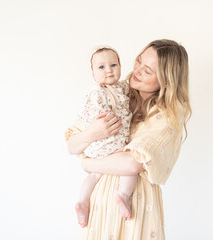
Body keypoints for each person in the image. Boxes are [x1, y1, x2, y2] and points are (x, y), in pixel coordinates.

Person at [65, 39, 191, 239]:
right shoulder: (114, 92)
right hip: (98, 205)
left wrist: (88, 164)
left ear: (166, 81)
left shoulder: (167, 116)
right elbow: (72, 145)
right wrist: (92, 133)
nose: (138, 71)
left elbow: (133, 164)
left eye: (147, 71)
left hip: (136, 208)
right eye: (139, 61)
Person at [65, 46, 137, 228]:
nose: (109, 70)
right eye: (102, 67)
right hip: (108, 142)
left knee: (94, 175)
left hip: (97, 149)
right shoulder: (96, 92)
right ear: (93, 73)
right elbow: (91, 114)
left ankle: (82, 201)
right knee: (130, 170)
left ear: (121, 67)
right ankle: (123, 196)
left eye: (114, 65)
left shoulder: (122, 87)